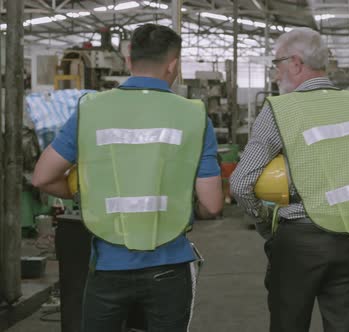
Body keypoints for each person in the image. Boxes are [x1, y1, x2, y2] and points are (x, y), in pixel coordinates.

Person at [32, 24, 223, 332]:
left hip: (108, 265)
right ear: (173, 64)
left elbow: (42, 177)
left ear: (129, 58)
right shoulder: (195, 115)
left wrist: (84, 194)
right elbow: (212, 204)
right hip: (169, 266)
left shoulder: (90, 109)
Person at [230, 27, 349, 332]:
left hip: (299, 241)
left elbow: (240, 183)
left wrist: (264, 219)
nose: (276, 74)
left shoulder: (282, 110)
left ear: (296, 62)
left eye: (277, 64)